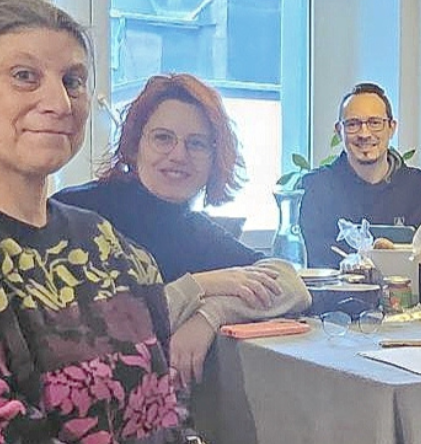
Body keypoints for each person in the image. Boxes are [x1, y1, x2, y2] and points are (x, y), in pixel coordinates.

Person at [0, 0, 239, 444]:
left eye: (72, 81)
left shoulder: (113, 249)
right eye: (25, 76)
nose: (58, 102)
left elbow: (167, 432)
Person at [55, 74, 310, 386]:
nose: (179, 155)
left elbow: (292, 285)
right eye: (163, 138)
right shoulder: (76, 213)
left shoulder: (198, 231)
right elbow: (99, 326)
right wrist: (199, 286)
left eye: (197, 143)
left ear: (215, 158)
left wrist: (209, 316)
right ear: (135, 145)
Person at [298, 82, 421, 269]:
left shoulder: (416, 186)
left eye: (374, 123)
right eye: (353, 124)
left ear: (391, 128)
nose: (364, 133)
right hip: (335, 296)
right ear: (339, 131)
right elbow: (312, 260)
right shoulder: (315, 188)